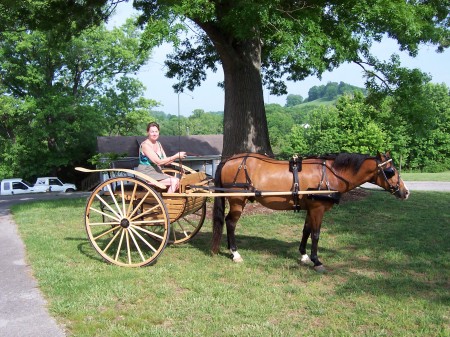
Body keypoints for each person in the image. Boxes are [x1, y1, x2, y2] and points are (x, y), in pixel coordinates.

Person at [137, 122, 186, 192]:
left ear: (159, 132)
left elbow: (165, 162)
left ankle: (170, 201)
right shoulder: (145, 145)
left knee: (178, 181)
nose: (154, 134)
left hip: (157, 172)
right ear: (148, 132)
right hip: (146, 173)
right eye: (152, 132)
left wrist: (176, 157)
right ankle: (168, 202)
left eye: (156, 131)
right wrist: (176, 156)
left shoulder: (158, 144)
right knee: (174, 181)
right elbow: (158, 162)